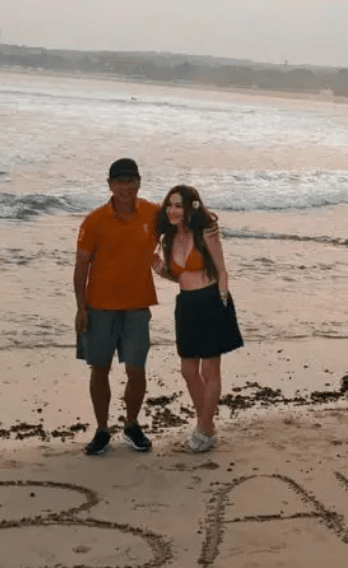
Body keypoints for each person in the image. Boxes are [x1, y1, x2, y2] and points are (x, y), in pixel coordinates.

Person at [74, 158, 160, 456]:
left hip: (137, 308)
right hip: (99, 307)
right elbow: (81, 266)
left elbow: (184, 222)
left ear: (139, 182)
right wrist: (80, 307)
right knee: (100, 369)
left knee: (137, 371)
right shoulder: (94, 220)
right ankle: (101, 430)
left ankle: (132, 425)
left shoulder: (153, 214)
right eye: (120, 182)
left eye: (131, 181)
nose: (126, 188)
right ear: (110, 185)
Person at [153, 184, 243, 453]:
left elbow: (222, 270)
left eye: (178, 206)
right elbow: (179, 276)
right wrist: (160, 270)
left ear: (190, 208)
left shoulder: (206, 233)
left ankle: (203, 429)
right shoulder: (169, 239)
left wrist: (222, 300)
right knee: (188, 371)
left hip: (211, 301)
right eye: (169, 205)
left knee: (209, 371)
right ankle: (207, 426)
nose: (172, 210)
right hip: (186, 305)